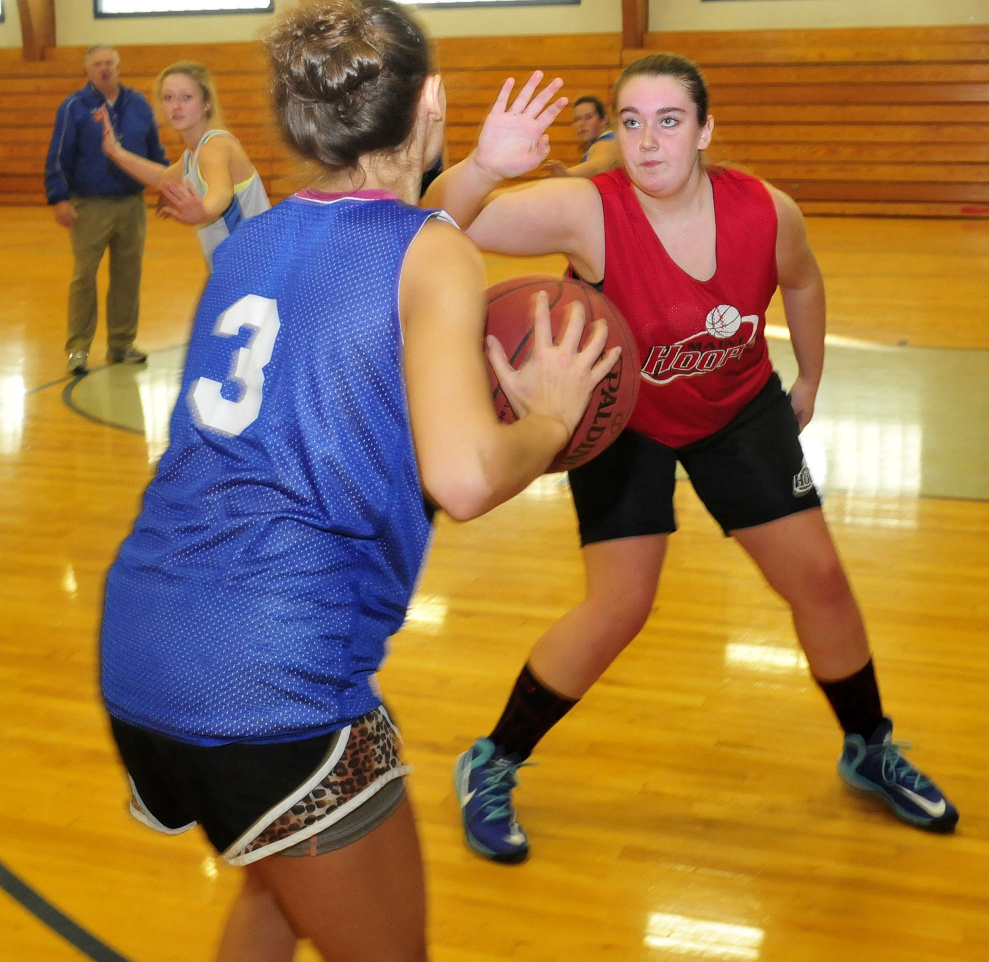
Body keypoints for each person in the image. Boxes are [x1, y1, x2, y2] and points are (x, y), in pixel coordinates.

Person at [99, 3, 615, 960]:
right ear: (432, 99)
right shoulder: (433, 252)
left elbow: (382, 251)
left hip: (146, 643)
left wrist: (485, 171)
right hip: (271, 674)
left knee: (282, 887)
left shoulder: (253, 242)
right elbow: (461, 477)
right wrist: (547, 417)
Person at [427, 52, 959, 865]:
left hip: (739, 410)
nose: (647, 143)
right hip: (623, 418)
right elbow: (442, 224)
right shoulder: (588, 210)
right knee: (619, 609)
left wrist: (811, 375)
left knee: (818, 578)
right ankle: (491, 759)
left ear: (706, 129)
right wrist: (478, 167)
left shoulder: (766, 211)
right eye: (631, 122)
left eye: (669, 122)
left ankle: (869, 746)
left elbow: (804, 283)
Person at [45, 44, 167, 376]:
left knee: (128, 277)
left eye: (110, 63)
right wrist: (59, 198)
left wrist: (167, 186)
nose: (104, 69)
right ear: (88, 70)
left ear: (118, 67)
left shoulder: (139, 104)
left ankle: (121, 344)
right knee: (84, 277)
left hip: (132, 205)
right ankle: (78, 349)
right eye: (98, 64)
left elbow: (155, 150)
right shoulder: (73, 107)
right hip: (90, 206)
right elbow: (59, 156)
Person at [99, 60, 270, 268]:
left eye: (186, 97)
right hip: (233, 267)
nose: (176, 106)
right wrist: (114, 151)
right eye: (168, 97)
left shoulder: (214, 148)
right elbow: (163, 179)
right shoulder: (192, 154)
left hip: (255, 266)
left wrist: (205, 211)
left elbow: (221, 191)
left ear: (207, 103)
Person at [542, 95, 621, 179]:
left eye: (588, 117)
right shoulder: (608, 140)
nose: (581, 124)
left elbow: (598, 165)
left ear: (604, 119)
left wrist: (568, 173)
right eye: (577, 119)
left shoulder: (604, 142)